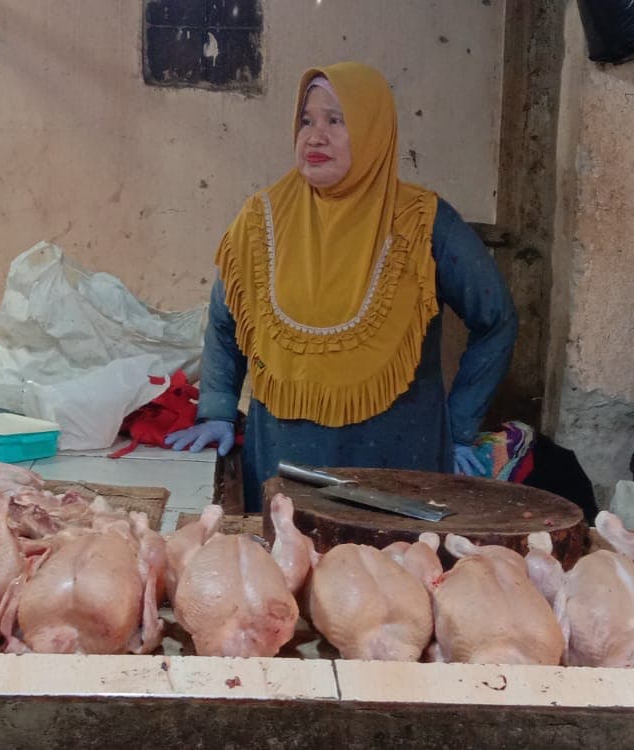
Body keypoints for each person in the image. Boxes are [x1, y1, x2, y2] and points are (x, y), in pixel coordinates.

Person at [164, 62, 517, 513]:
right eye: (306, 121)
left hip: (398, 466)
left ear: (373, 130)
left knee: (389, 579)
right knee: (288, 572)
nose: (315, 137)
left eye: (336, 120)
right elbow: (224, 320)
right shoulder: (258, 220)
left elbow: (497, 320)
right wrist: (216, 408)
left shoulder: (423, 222)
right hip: (282, 463)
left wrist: (461, 425)